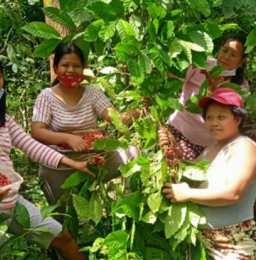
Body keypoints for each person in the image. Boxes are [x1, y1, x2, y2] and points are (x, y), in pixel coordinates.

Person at [0, 51, 94, 260]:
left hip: (11, 199)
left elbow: (31, 146)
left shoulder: (2, 117)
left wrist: (74, 164)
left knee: (61, 237)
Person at [31, 43, 141, 219]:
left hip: (95, 160)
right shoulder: (46, 96)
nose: (71, 70)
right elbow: (37, 132)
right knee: (63, 216)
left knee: (133, 154)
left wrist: (137, 111)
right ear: (55, 68)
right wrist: (68, 138)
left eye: (76, 65)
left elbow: (118, 120)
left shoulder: (92, 93)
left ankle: (128, 213)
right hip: (61, 164)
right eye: (65, 65)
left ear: (84, 68)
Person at [163, 88, 256, 259]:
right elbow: (187, 176)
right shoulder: (211, 147)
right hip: (204, 240)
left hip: (235, 240)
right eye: (209, 118)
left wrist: (188, 194)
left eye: (221, 117)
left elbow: (233, 193)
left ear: (237, 119)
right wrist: (169, 147)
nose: (213, 123)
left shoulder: (244, 147)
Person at [159, 35, 249, 161]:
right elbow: (172, 78)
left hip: (200, 146)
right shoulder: (202, 64)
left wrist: (214, 91)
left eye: (234, 55)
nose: (226, 56)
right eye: (225, 50)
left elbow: (225, 118)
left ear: (242, 61)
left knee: (174, 173)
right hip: (174, 128)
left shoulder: (240, 88)